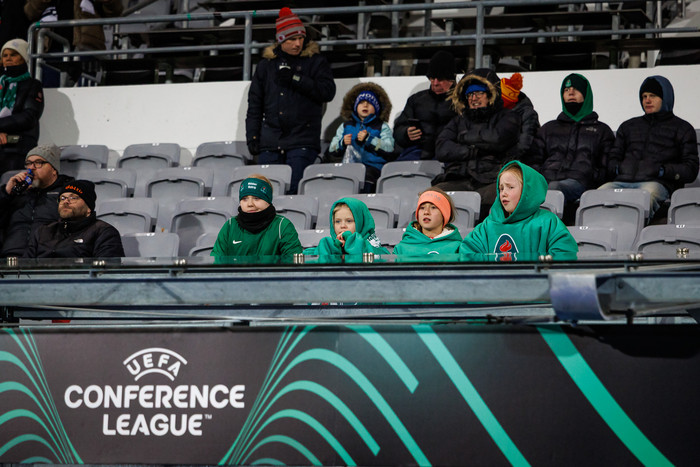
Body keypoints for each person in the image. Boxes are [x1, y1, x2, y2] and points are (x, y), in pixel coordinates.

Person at [245, 7, 336, 194]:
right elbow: (255, 105)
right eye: (292, 39)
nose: (298, 43)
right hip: (270, 143)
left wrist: (296, 78)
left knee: (295, 195)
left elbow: (327, 92)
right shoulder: (265, 66)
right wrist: (252, 136)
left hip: (303, 141)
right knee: (266, 196)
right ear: (280, 40)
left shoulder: (316, 62)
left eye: (301, 38)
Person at [601, 75, 699, 221]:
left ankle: (629, 232)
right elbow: (612, 158)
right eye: (644, 96)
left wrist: (662, 170)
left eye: (653, 96)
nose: (647, 100)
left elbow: (690, 169)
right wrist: (618, 168)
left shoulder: (683, 128)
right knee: (596, 196)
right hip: (621, 181)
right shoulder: (628, 126)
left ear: (665, 97)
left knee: (645, 196)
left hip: (657, 184)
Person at [433, 68, 521, 216]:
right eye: (470, 95)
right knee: (431, 197)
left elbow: (497, 140)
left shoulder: (508, 117)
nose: (474, 98)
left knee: (499, 199)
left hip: (492, 179)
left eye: (479, 93)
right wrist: (472, 150)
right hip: (459, 178)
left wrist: (463, 139)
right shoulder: (457, 121)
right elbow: (442, 148)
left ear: (491, 94)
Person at [528, 73, 615, 217]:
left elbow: (607, 167)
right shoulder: (548, 128)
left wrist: (590, 176)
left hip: (580, 182)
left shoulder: (602, 130)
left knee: (554, 188)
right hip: (547, 180)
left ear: (586, 95)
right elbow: (533, 160)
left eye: (576, 89)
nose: (571, 93)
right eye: (566, 90)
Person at [460, 161, 578, 260]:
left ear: (527, 192)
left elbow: (565, 254)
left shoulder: (548, 222)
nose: (503, 193)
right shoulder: (487, 225)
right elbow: (467, 254)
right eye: (501, 188)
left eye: (510, 187)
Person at [0, 144, 73, 257]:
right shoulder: (17, 193)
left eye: (38, 163)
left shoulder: (66, 193)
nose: (31, 168)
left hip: (46, 257)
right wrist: (6, 193)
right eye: (28, 163)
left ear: (54, 169)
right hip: (11, 256)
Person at [25, 179, 124, 257]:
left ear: (88, 208)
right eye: (62, 198)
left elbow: (107, 271)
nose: (66, 201)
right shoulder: (43, 232)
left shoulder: (104, 232)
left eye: (73, 198)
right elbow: (24, 268)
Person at [211, 175, 303, 257]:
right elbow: (216, 262)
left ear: (268, 201)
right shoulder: (230, 226)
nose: (250, 204)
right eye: (245, 199)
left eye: (256, 198)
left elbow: (295, 264)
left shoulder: (282, 226)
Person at [327, 82, 394, 192]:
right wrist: (342, 143)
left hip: (373, 170)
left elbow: (389, 148)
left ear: (377, 108)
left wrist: (369, 139)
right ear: (355, 106)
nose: (365, 105)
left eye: (370, 103)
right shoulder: (345, 126)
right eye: (361, 102)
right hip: (348, 169)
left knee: (367, 179)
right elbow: (331, 149)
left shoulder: (382, 126)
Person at [392, 50, 458, 161]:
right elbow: (399, 128)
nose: (435, 83)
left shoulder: (462, 101)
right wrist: (406, 133)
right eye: (432, 78)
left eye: (440, 79)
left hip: (449, 154)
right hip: (416, 152)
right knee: (397, 168)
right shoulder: (416, 100)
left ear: (451, 79)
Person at [0, 39, 44, 174]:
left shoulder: (33, 85)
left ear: (23, 57)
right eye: (5, 55)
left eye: (13, 55)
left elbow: (29, 117)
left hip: (20, 148)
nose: (8, 58)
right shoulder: (1, 84)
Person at [304, 197, 389, 256]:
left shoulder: (375, 249)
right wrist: (335, 247)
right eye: (337, 221)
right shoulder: (327, 245)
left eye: (349, 221)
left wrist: (353, 242)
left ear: (361, 222)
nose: (342, 226)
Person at [393, 187, 462, 256]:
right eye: (422, 208)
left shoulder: (458, 248)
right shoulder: (401, 248)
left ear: (444, 214)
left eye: (433, 207)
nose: (426, 212)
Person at [500, 72, 540, 159]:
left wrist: (506, 158)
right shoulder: (498, 112)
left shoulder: (527, 114)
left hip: (521, 161)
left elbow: (525, 143)